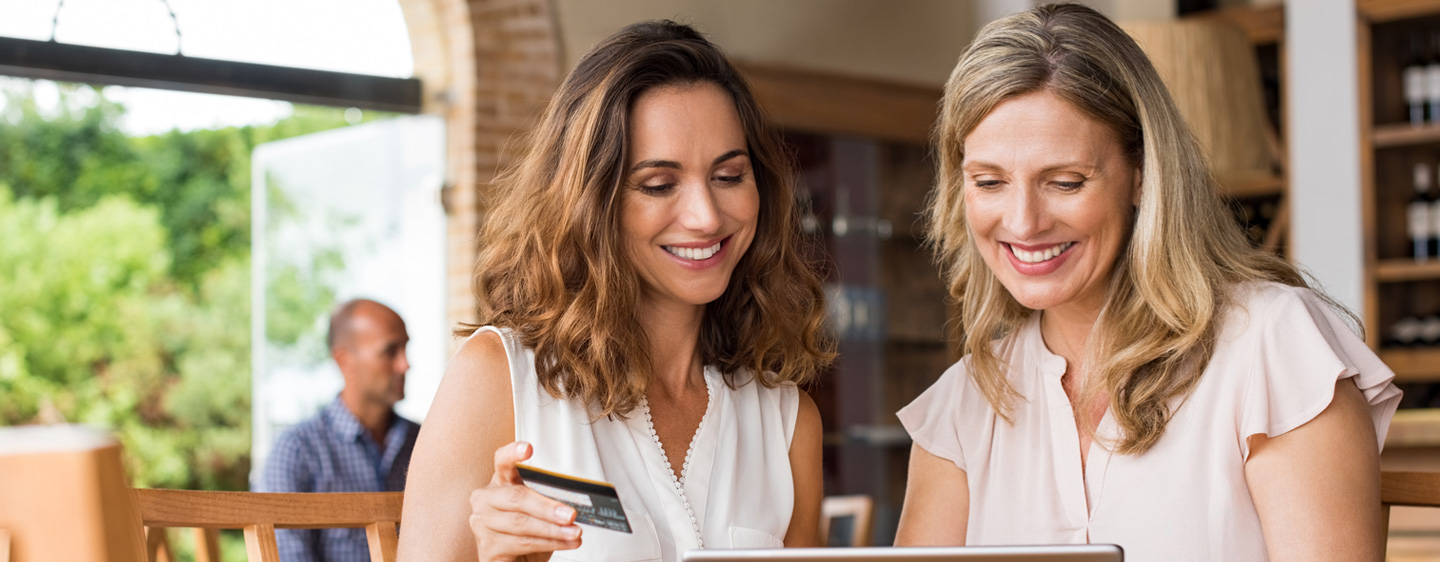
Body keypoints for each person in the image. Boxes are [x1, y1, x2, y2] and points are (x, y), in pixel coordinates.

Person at [894, 4, 1402, 561]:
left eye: (1065, 182)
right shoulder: (965, 404)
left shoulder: (1272, 348)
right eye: (989, 182)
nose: (1022, 223)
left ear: (1141, 175)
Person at [398, 20, 835, 562]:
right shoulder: (497, 379)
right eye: (658, 184)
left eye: (728, 176)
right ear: (592, 201)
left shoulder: (788, 422)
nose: (705, 216)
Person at [260, 298, 419, 562]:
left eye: (405, 348)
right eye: (390, 351)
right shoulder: (297, 451)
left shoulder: (424, 443)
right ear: (344, 361)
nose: (405, 364)